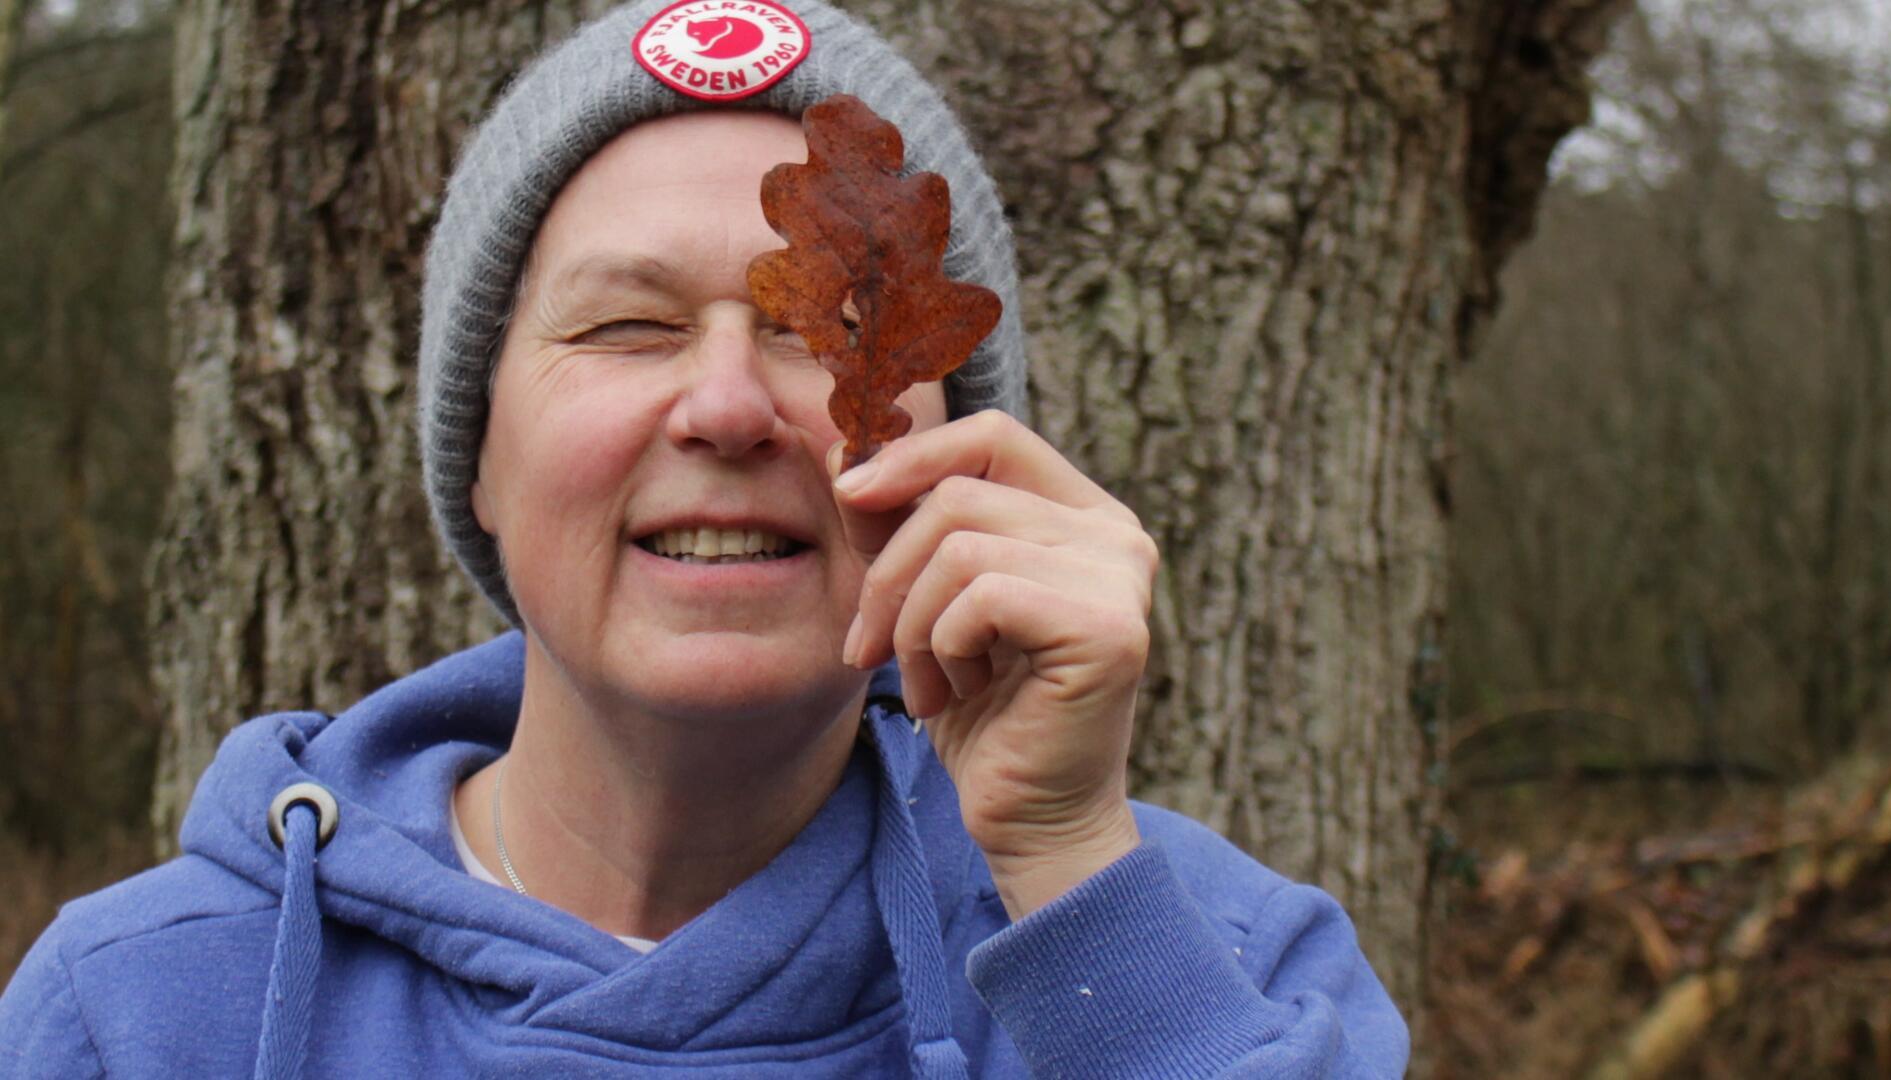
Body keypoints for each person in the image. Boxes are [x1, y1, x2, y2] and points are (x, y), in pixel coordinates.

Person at [0, 1, 1409, 1076]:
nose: (730, 405)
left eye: (826, 335)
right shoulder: (141, 1013)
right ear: (476, 459)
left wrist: (1076, 889)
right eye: (626, 326)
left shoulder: (1224, 968)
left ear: (966, 459)